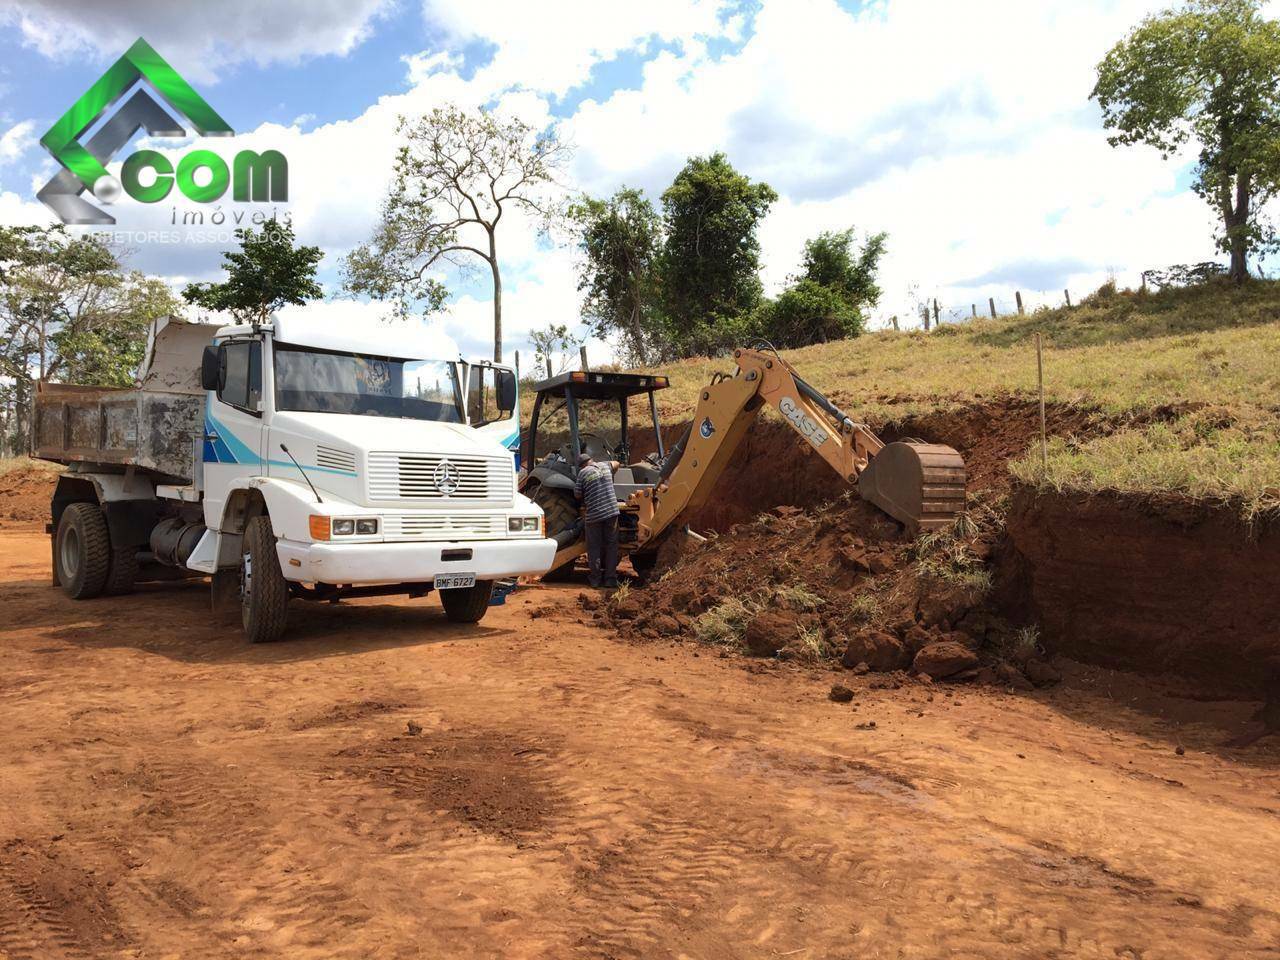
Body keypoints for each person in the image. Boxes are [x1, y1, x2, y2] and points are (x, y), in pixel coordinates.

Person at [573, 452, 620, 588]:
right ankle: (610, 579)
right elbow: (617, 463)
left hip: (594, 515)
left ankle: (595, 579)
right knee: (611, 545)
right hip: (612, 512)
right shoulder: (604, 466)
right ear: (591, 460)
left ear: (581, 466)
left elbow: (577, 494)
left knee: (594, 547)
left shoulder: (582, 473)